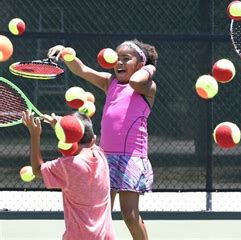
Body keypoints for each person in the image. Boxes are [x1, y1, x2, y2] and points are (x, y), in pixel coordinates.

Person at [48, 40, 158, 240]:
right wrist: (66, 54)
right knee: (102, 213)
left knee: (130, 215)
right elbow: (81, 70)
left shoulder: (147, 87)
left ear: (141, 65)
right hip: (105, 159)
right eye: (117, 58)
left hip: (131, 159)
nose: (119, 63)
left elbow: (134, 81)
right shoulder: (110, 82)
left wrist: (150, 67)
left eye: (126, 59)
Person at [22, 110, 116, 240]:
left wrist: (35, 135)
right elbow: (81, 141)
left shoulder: (68, 165)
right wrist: (61, 127)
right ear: (93, 139)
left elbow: (37, 170)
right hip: (107, 236)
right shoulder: (100, 155)